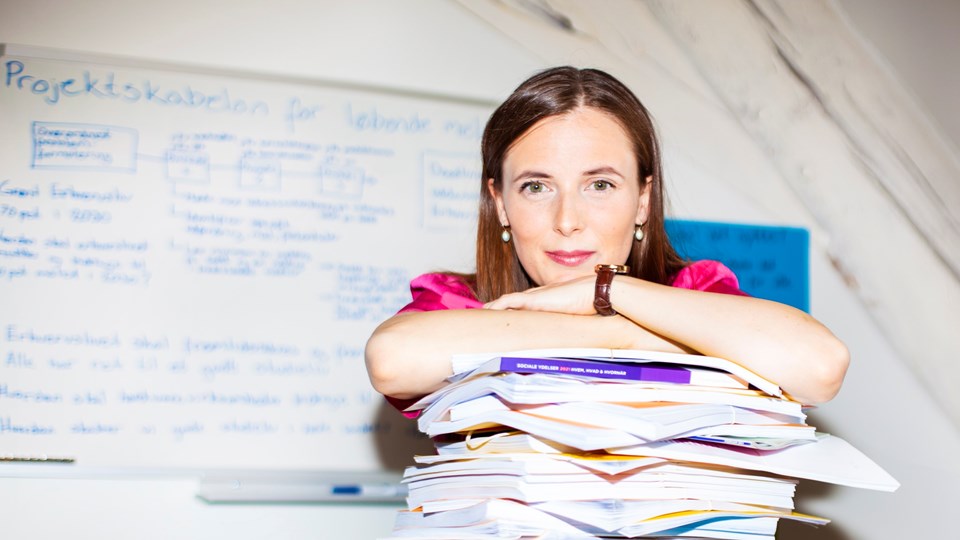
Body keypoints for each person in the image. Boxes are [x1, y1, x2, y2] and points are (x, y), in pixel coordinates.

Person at [365, 66, 849, 409]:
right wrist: (616, 333)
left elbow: (819, 366)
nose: (568, 219)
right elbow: (392, 360)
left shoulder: (693, 295)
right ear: (500, 204)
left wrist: (609, 292)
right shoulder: (463, 306)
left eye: (600, 185)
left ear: (642, 199)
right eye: (536, 186)